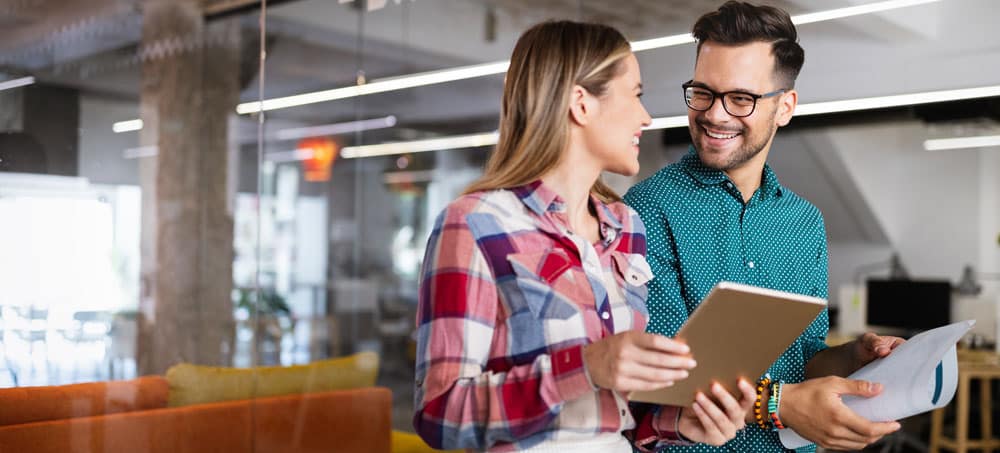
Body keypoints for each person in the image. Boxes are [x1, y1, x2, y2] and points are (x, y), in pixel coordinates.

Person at [413, 20, 756, 453]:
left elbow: (615, 416)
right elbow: (439, 414)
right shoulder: (475, 225)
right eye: (635, 94)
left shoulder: (625, 227)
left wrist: (677, 423)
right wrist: (586, 367)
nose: (645, 116)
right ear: (581, 104)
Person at [624, 2, 905, 452]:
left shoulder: (803, 221)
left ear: (785, 107)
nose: (715, 114)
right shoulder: (647, 209)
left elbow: (803, 357)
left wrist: (852, 356)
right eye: (703, 92)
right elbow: (667, 378)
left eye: (741, 98)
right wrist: (780, 405)